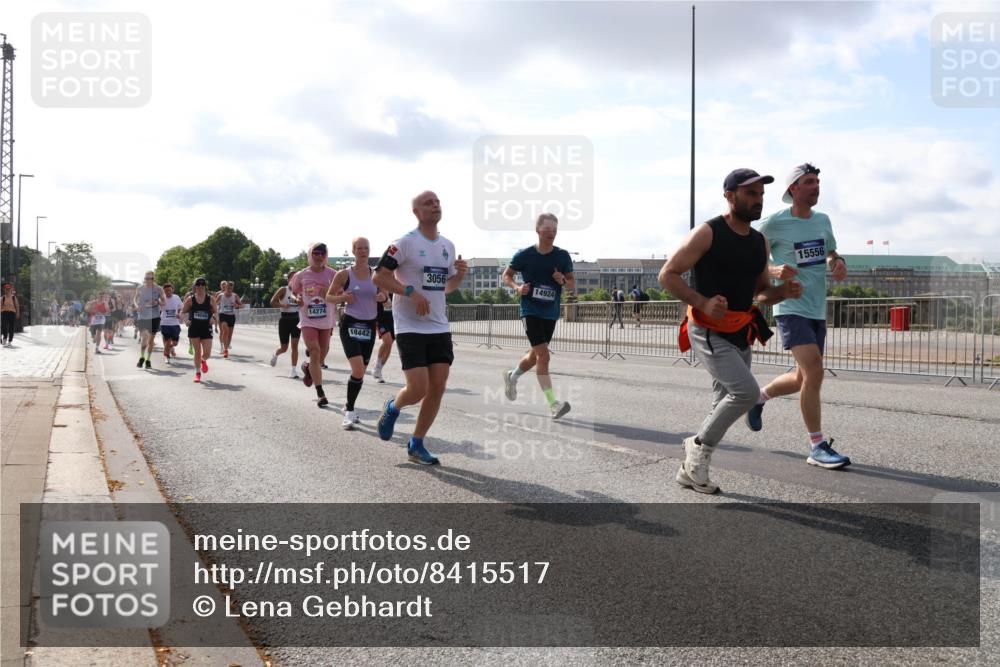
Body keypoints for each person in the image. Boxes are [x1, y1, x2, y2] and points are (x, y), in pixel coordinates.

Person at [660, 168, 801, 494]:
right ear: (729, 196)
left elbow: (761, 293)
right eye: (750, 194)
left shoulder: (760, 242)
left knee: (722, 402)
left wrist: (782, 292)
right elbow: (667, 274)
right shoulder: (708, 233)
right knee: (746, 393)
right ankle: (697, 448)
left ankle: (689, 471)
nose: (758, 200)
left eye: (761, 195)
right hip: (707, 329)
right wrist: (702, 302)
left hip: (740, 330)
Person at [747, 162, 851, 469]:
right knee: (815, 371)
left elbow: (831, 251)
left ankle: (759, 397)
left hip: (817, 307)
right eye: (809, 182)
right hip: (790, 305)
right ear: (793, 188)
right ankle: (817, 446)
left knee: (801, 377)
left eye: (817, 181)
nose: (816, 186)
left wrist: (837, 262)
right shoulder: (774, 222)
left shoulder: (823, 220)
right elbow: (749, 255)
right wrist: (773, 270)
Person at [373, 190, 468, 465]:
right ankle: (393, 407)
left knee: (437, 386)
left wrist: (460, 275)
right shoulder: (404, 243)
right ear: (416, 212)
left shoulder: (448, 246)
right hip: (410, 326)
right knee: (418, 389)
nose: (435, 205)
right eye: (428, 203)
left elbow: (446, 287)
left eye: (437, 201)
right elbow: (379, 277)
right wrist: (410, 292)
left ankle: (416, 444)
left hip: (438, 326)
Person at [502, 212, 575, 419]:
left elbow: (571, 284)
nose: (552, 233)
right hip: (530, 310)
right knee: (544, 356)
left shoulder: (562, 256)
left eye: (555, 229)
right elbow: (507, 275)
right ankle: (553, 404)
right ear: (538, 230)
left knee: (535, 356)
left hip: (550, 312)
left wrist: (562, 280)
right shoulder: (525, 255)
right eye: (547, 229)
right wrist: (517, 287)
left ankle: (512, 376)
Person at [328, 237, 380, 429]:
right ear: (353, 251)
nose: (363, 251)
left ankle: (349, 404)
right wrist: (342, 297)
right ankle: (349, 412)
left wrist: (383, 297)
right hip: (350, 324)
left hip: (369, 326)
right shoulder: (344, 274)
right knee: (358, 369)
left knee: (361, 372)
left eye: (366, 248)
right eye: (359, 248)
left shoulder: (377, 274)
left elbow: (385, 296)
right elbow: (328, 296)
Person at [291, 242, 337, 407]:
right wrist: (297, 299)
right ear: (310, 255)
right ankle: (320, 393)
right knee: (315, 351)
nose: (319, 256)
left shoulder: (333, 274)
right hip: (308, 319)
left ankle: (308, 367)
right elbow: (293, 293)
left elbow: (342, 292)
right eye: (316, 253)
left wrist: (330, 292)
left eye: (322, 254)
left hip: (326, 319)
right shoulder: (301, 275)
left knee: (321, 356)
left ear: (326, 256)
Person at [181, 277, 216, 383]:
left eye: (202, 284)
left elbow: (216, 312)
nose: (200, 286)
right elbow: (182, 312)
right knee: (197, 351)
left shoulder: (210, 299)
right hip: (194, 327)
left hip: (206, 327)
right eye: (198, 284)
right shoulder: (190, 299)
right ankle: (197, 373)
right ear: (195, 286)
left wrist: (213, 318)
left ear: (205, 286)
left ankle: (203, 360)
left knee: (207, 353)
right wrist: (186, 320)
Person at [269, 271, 302, 378]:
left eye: (296, 278)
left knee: (295, 346)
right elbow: (272, 301)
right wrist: (283, 305)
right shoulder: (284, 290)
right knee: (284, 348)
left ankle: (293, 371)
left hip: (296, 319)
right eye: (292, 278)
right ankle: (275, 354)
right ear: (288, 280)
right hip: (285, 319)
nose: (295, 280)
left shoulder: (300, 291)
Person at [133, 271, 164, 369]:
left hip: (154, 317)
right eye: (147, 279)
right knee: (144, 338)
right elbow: (135, 298)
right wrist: (136, 305)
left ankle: (148, 360)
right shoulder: (140, 288)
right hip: (142, 317)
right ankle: (142, 357)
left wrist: (157, 301)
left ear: (154, 279)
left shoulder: (159, 289)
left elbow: (163, 302)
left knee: (151, 341)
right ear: (144, 279)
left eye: (151, 279)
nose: (148, 281)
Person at [371, 289, 395, 383]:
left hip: (393, 319)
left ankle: (379, 369)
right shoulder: (380, 285)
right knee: (388, 341)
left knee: (390, 344)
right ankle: (377, 364)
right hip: (380, 318)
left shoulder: (397, 285)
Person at [215, 281, 242, 359]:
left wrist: (237, 305)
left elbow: (241, 305)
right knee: (225, 330)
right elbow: (214, 304)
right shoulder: (221, 295)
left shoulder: (235, 296)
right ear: (225, 287)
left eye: (231, 288)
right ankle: (225, 349)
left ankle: (226, 346)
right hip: (223, 315)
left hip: (231, 316)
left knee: (229, 334)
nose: (229, 289)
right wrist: (213, 312)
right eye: (228, 288)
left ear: (232, 288)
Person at [159, 283, 183, 364]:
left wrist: (179, 314)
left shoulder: (176, 297)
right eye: (166, 291)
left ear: (172, 290)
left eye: (169, 290)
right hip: (165, 323)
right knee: (168, 340)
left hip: (175, 323)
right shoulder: (161, 298)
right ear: (163, 291)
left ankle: (169, 348)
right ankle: (166, 356)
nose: (168, 292)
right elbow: (158, 308)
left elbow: (181, 308)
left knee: (175, 343)